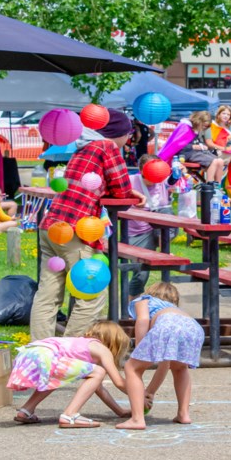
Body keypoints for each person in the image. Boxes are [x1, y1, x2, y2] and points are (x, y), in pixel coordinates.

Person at [30, 109, 147, 341]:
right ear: (119, 133)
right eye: (129, 134)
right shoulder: (107, 147)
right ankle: (70, 351)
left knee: (47, 296)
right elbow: (121, 186)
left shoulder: (83, 147)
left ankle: (40, 351)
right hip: (76, 229)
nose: (129, 139)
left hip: (52, 225)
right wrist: (130, 191)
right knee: (91, 295)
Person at [8, 320, 130, 428]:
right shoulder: (101, 349)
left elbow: (97, 388)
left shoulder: (80, 345)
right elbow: (119, 382)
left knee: (56, 377)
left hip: (29, 353)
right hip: (44, 355)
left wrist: (120, 411)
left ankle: (26, 411)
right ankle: (70, 414)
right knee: (99, 372)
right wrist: (140, 395)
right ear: (114, 342)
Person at [117, 282, 204, 430]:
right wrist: (150, 392)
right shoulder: (175, 309)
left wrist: (139, 347)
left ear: (150, 292)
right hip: (193, 328)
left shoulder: (144, 300)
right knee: (180, 368)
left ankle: (137, 419)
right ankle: (184, 414)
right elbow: (165, 364)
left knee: (131, 367)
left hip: (167, 326)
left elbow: (143, 319)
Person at [127, 154, 173, 297]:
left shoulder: (162, 182)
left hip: (156, 231)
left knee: (167, 211)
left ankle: (163, 249)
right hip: (135, 233)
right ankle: (130, 305)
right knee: (141, 274)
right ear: (141, 171)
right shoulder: (130, 182)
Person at [181, 110, 226, 185]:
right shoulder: (187, 129)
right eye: (203, 126)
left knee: (220, 161)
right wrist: (194, 146)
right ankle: (209, 186)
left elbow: (198, 142)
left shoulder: (197, 131)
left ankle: (218, 186)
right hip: (189, 154)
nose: (204, 128)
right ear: (199, 122)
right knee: (214, 161)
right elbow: (179, 145)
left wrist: (202, 146)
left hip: (199, 153)